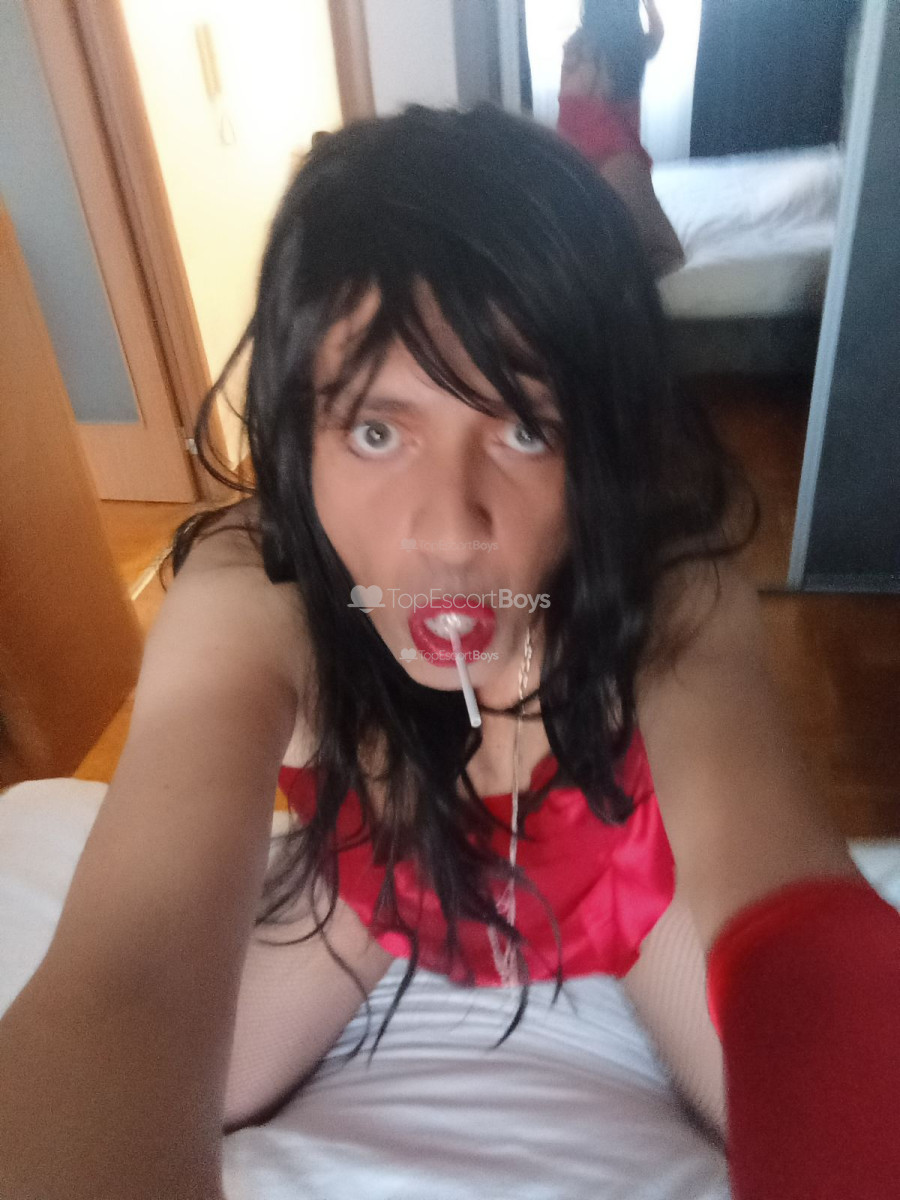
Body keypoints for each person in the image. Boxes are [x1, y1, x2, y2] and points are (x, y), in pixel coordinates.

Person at [1, 105, 899, 1200]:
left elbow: (789, 906)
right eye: (378, 431)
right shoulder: (260, 590)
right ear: (299, 435)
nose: (451, 530)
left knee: (779, 1102)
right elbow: (128, 976)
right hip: (379, 870)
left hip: (616, 883)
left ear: (603, 441)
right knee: (199, 1083)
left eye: (525, 428)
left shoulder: (667, 582)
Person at [558, 0, 685, 278]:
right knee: (668, 254)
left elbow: (571, 109)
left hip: (574, 155)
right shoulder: (630, 48)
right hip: (614, 154)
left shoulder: (578, 46)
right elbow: (658, 34)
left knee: (608, 243)